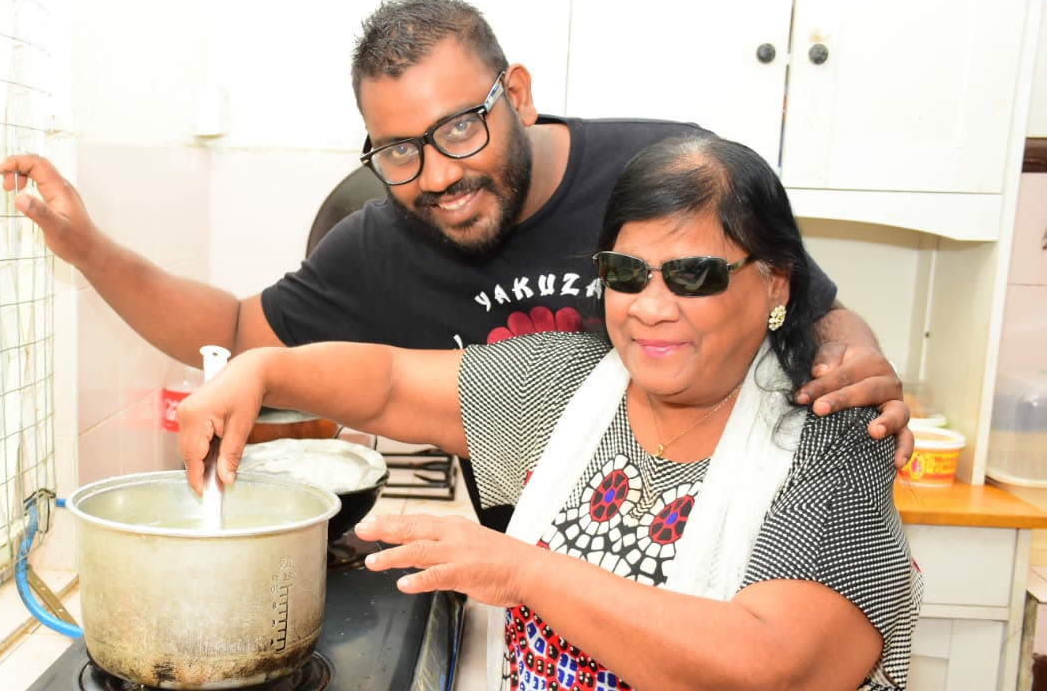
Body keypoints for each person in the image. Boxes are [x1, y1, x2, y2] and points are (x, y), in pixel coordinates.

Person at [0, 0, 912, 532]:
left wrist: (852, 356)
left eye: (460, 129)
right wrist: (85, 247)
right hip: (545, 579)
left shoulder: (660, 174)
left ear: (516, 94)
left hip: (727, 551)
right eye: (399, 150)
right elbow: (242, 334)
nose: (436, 175)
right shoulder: (386, 241)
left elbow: (805, 306)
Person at [176, 135, 922, 691]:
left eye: (693, 275)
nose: (651, 307)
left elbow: (779, 668)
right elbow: (390, 383)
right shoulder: (572, 384)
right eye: (626, 273)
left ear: (776, 283)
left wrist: (524, 573)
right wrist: (263, 369)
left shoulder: (830, 433)